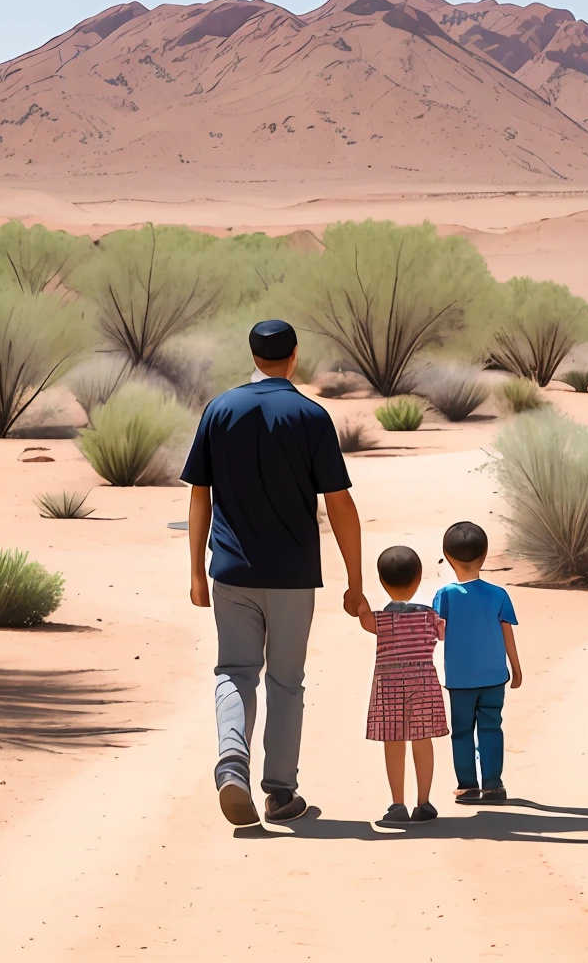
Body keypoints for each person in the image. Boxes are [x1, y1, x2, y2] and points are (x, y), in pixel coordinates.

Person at [183, 319, 365, 828]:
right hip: (292, 576)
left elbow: (200, 493)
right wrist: (354, 580)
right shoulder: (311, 415)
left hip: (232, 572)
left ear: (252, 354)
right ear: (294, 355)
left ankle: (232, 766)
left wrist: (197, 570)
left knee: (234, 672)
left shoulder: (219, 410)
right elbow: (340, 503)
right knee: (286, 681)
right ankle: (281, 794)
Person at [431, 520, 521, 803]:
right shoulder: (498, 595)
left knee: (461, 731)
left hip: (459, 681)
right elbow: (508, 634)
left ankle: (468, 785)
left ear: (447, 557)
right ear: (484, 556)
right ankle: (494, 785)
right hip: (495, 677)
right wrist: (516, 669)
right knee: (492, 727)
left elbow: (439, 634)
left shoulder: (444, 596)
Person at [360, 545, 447, 826]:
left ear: (382, 581)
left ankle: (397, 804)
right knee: (423, 740)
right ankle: (424, 803)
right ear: (419, 578)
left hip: (388, 685)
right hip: (423, 683)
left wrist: (357, 596)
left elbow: (361, 615)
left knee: (393, 741)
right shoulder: (429, 617)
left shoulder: (380, 619)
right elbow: (444, 633)